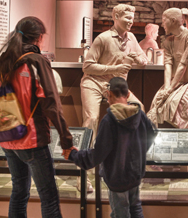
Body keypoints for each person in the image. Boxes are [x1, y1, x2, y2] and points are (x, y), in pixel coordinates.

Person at [0, 16, 73, 218]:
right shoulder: (37, 61)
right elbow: (52, 104)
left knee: (19, 192)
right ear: (38, 38)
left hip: (8, 137)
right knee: (49, 196)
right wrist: (66, 139)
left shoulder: (3, 61)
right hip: (32, 139)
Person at [63, 77, 157, 218]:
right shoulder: (140, 115)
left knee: (120, 214)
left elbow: (98, 154)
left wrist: (74, 155)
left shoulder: (109, 121)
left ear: (109, 94)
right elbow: (152, 133)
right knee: (136, 209)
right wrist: (140, 154)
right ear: (128, 94)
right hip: (135, 175)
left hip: (116, 178)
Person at [81, 4, 147, 141]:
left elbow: (144, 59)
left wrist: (139, 59)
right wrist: (115, 69)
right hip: (93, 83)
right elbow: (87, 67)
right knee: (91, 118)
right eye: (128, 18)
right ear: (116, 17)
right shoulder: (103, 38)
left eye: (132, 18)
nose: (131, 21)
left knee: (139, 108)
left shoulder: (132, 38)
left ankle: (132, 149)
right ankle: (87, 159)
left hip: (116, 86)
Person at [147, 8, 188, 128]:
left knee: (179, 104)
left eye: (164, 20)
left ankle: (186, 140)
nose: (162, 24)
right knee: (157, 102)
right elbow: (168, 66)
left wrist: (170, 90)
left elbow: (183, 65)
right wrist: (167, 88)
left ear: (173, 21)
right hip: (178, 81)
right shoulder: (168, 41)